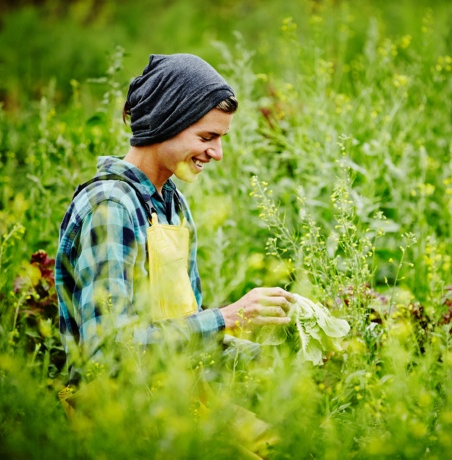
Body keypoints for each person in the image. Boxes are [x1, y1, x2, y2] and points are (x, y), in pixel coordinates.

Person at [55, 53, 295, 384]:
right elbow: (109, 351)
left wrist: (281, 360)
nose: (217, 153)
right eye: (207, 137)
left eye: (221, 139)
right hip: (115, 417)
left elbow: (188, 342)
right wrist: (225, 317)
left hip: (174, 401)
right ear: (168, 122)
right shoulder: (111, 208)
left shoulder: (172, 204)